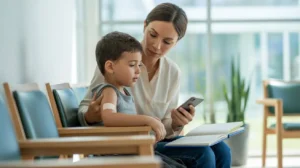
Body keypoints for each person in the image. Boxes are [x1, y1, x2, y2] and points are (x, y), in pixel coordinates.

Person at [78, 2, 231, 168]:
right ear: (145, 26)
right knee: (203, 154)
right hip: (128, 146)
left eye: (167, 41)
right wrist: (91, 115)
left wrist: (176, 123)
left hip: (157, 143)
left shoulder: (172, 72)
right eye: (153, 35)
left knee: (222, 149)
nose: (156, 46)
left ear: (176, 42)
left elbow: (165, 128)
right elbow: (85, 111)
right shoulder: (117, 62)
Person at [87, 31, 166, 141]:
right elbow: (109, 117)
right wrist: (146, 120)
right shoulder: (109, 91)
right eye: (132, 65)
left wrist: (148, 123)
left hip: (130, 149)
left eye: (139, 65)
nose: (138, 70)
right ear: (110, 67)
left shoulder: (124, 92)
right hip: (116, 154)